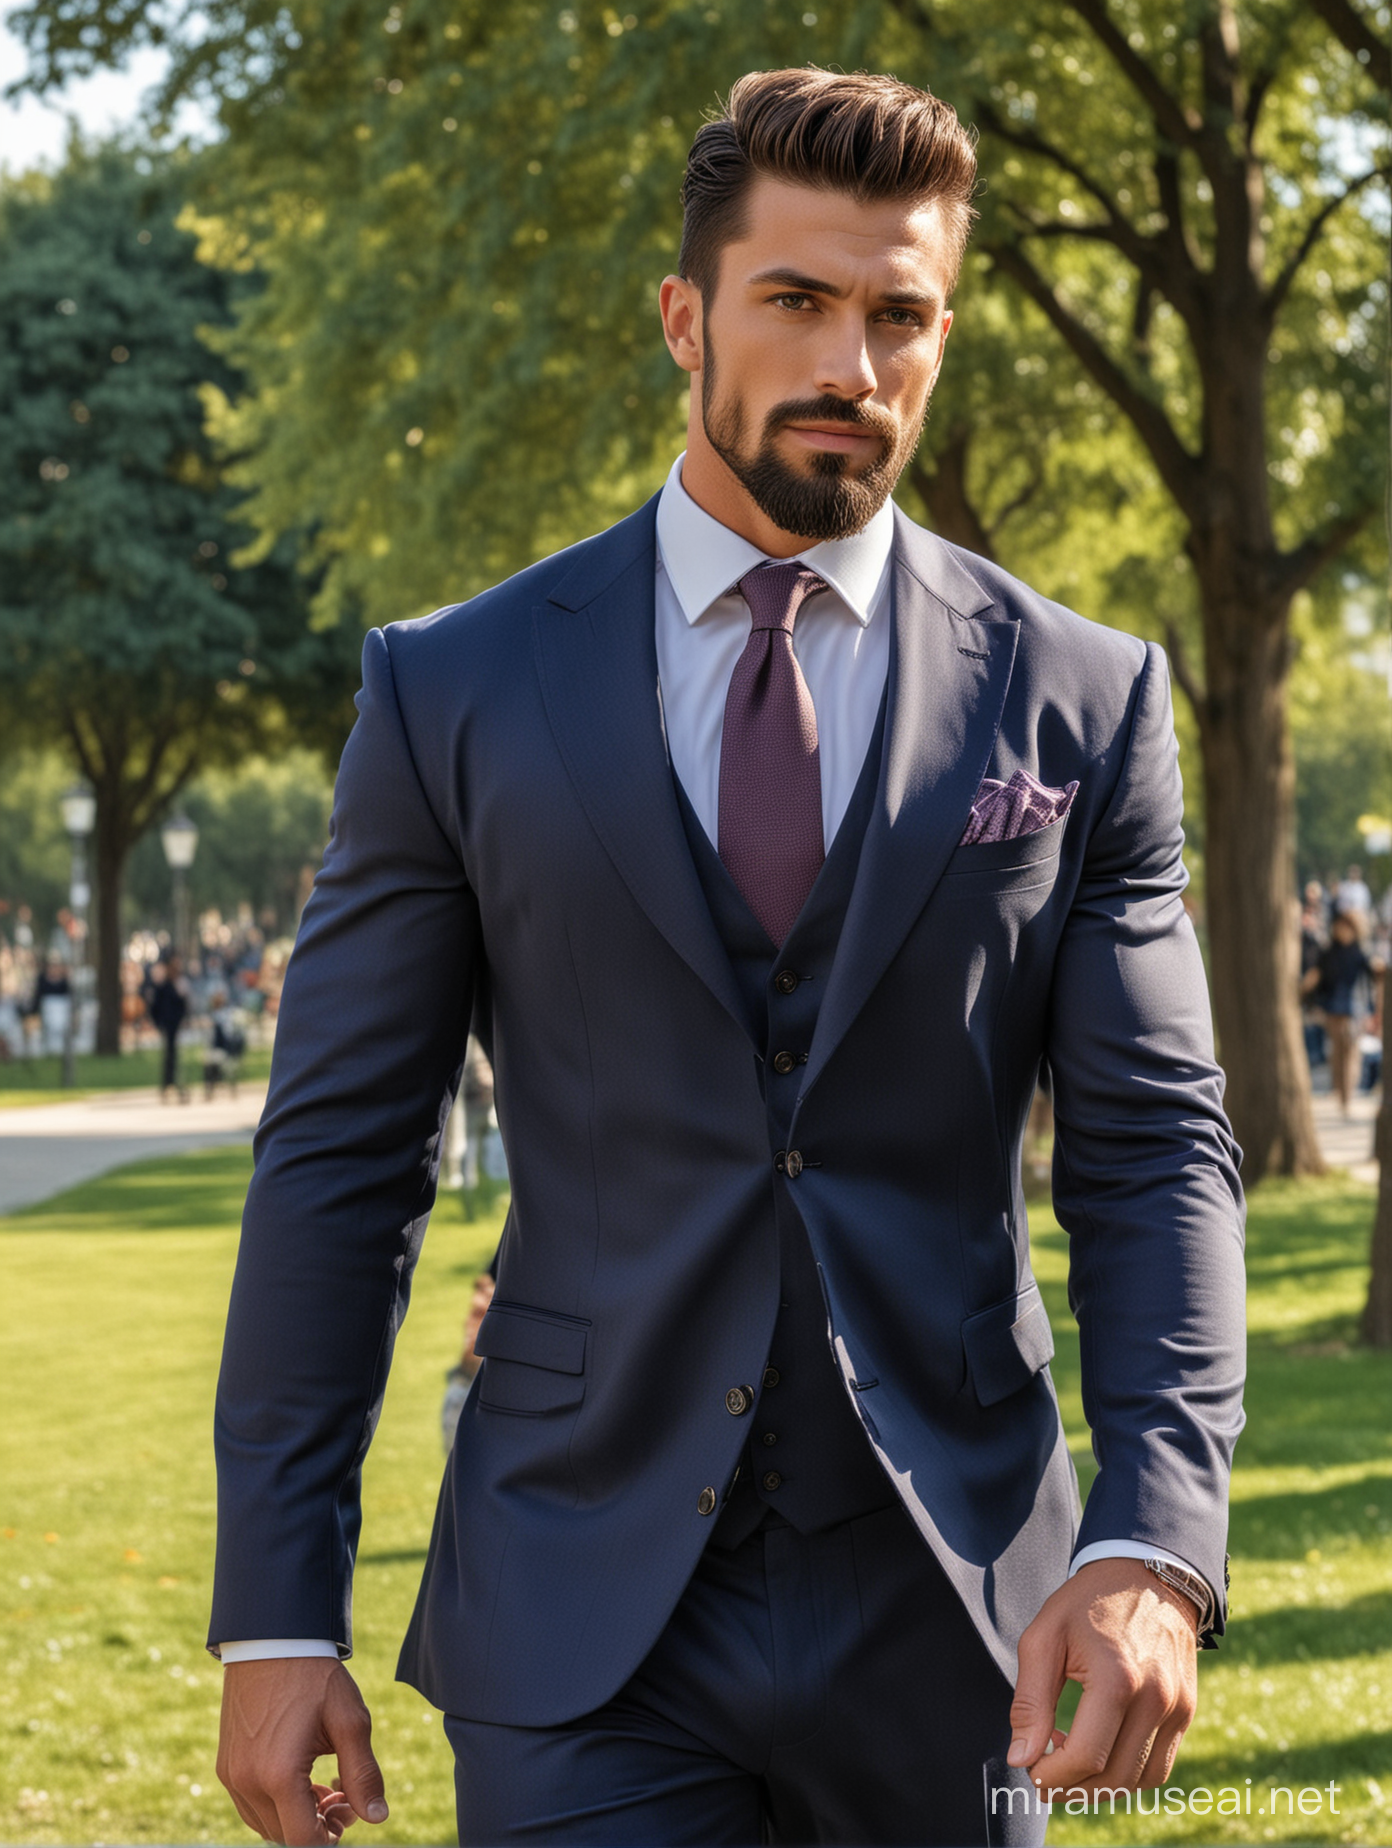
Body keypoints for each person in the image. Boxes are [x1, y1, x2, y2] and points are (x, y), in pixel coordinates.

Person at [210, 69, 1246, 1848]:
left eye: (898, 311)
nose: (853, 360)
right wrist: (279, 1605)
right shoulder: (455, 690)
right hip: (577, 1599)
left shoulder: (1079, 698)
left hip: (952, 1604)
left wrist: (1151, 1539)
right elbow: (343, 1154)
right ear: (685, 318)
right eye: (797, 300)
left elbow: (1155, 1152)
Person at [1304, 909, 1381, 1113]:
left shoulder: (1360, 953)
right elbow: (1316, 976)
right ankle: (1340, 1092)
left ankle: (1347, 1095)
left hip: (1354, 1009)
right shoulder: (1329, 953)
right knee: (1337, 1052)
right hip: (1332, 1009)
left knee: (1351, 1052)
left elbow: (1372, 977)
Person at [143, 956, 189, 1102]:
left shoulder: (175, 986)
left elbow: (182, 1005)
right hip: (168, 1025)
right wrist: (159, 1023)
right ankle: (169, 1084)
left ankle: (171, 1084)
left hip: (173, 1025)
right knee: (170, 1056)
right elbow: (155, 1007)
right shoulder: (164, 987)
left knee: (172, 1056)